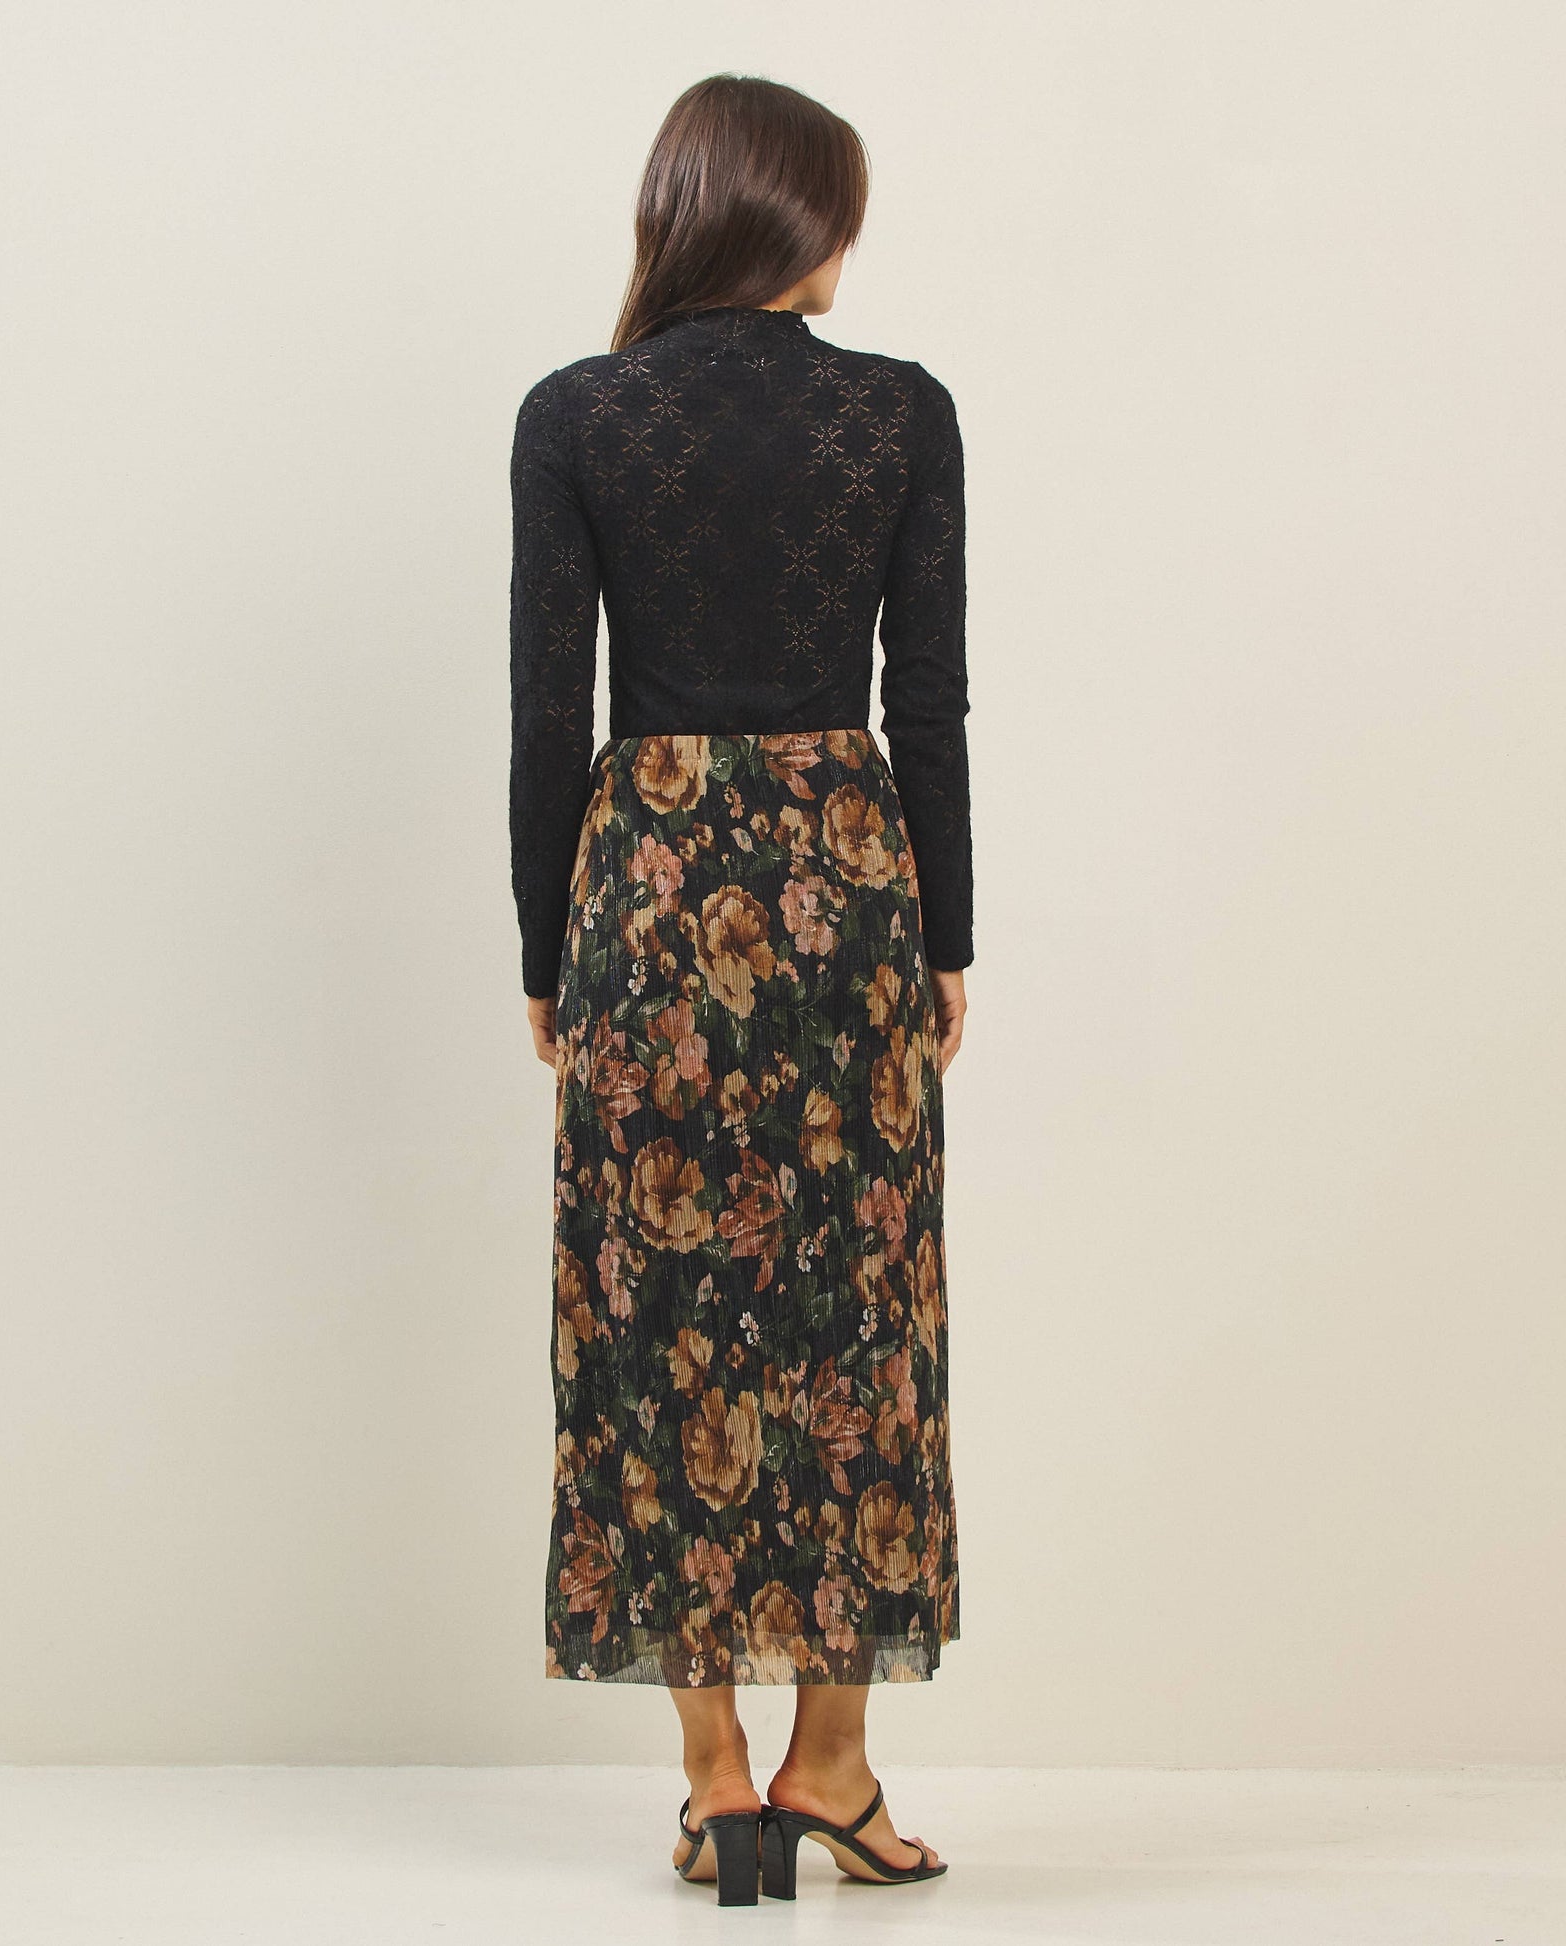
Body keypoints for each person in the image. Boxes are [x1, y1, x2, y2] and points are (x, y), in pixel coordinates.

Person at [507, 72, 972, 1905]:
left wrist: (543, 945)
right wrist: (946, 937)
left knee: (658, 1306)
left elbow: (549, 709)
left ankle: (714, 1782)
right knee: (860, 1306)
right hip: (846, 878)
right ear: (792, 217)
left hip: (646, 878)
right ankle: (831, 1763)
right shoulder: (900, 413)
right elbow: (924, 703)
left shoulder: (575, 415)